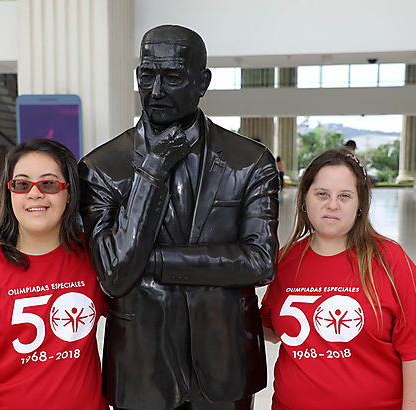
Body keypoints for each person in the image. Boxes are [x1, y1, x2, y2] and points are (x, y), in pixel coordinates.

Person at [79, 24, 281, 409]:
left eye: (171, 77)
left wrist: (151, 261)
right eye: (146, 76)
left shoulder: (250, 161)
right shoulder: (101, 167)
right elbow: (116, 274)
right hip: (141, 365)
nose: (155, 91)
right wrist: (153, 170)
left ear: (201, 81)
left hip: (226, 364)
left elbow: (260, 262)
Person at [260, 149, 416, 410]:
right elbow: (270, 328)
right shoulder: (285, 260)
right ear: (305, 198)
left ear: (361, 204)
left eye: (344, 196)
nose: (332, 204)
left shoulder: (389, 260)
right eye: (322, 194)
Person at [0, 139, 108, 410]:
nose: (34, 193)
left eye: (48, 184)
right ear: (9, 193)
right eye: (22, 184)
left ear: (69, 192)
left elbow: (136, 320)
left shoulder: (95, 254)